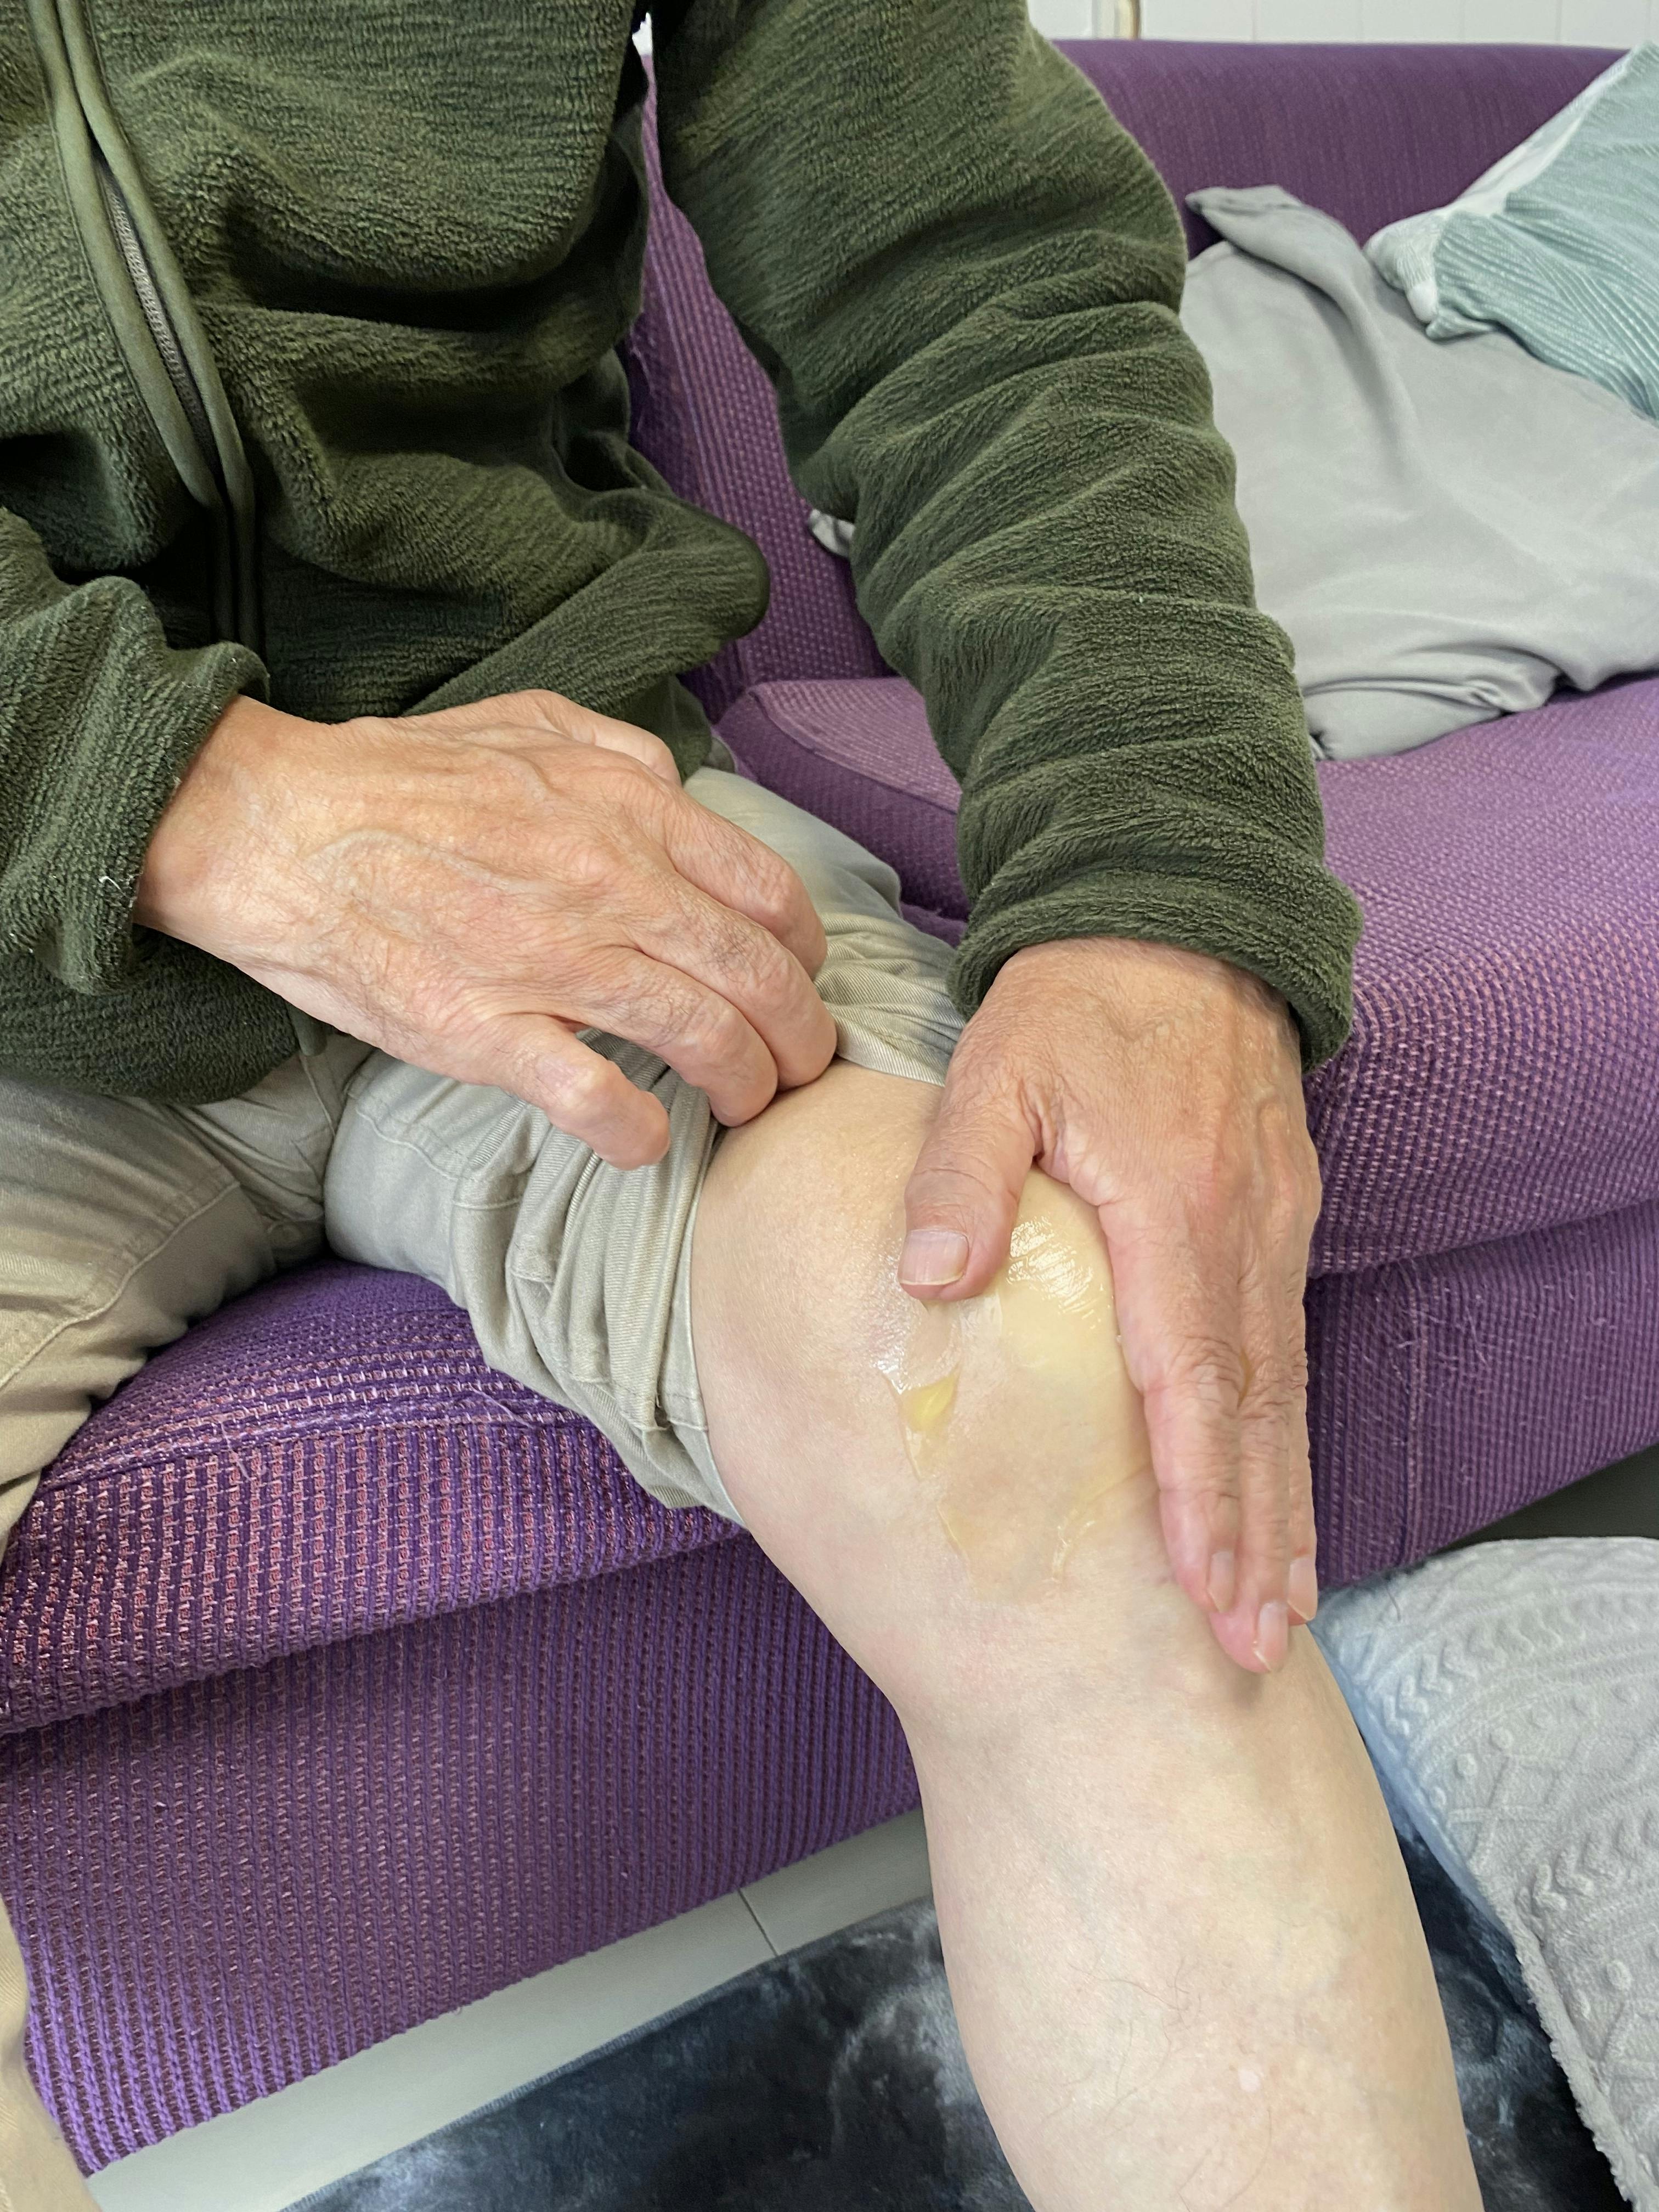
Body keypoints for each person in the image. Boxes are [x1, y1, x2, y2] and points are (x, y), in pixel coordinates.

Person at [0, 1, 1482, 2204]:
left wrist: (1163, 885)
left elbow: (964, 257)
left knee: (1033, 1367)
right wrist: (187, 799)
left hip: (573, 805)